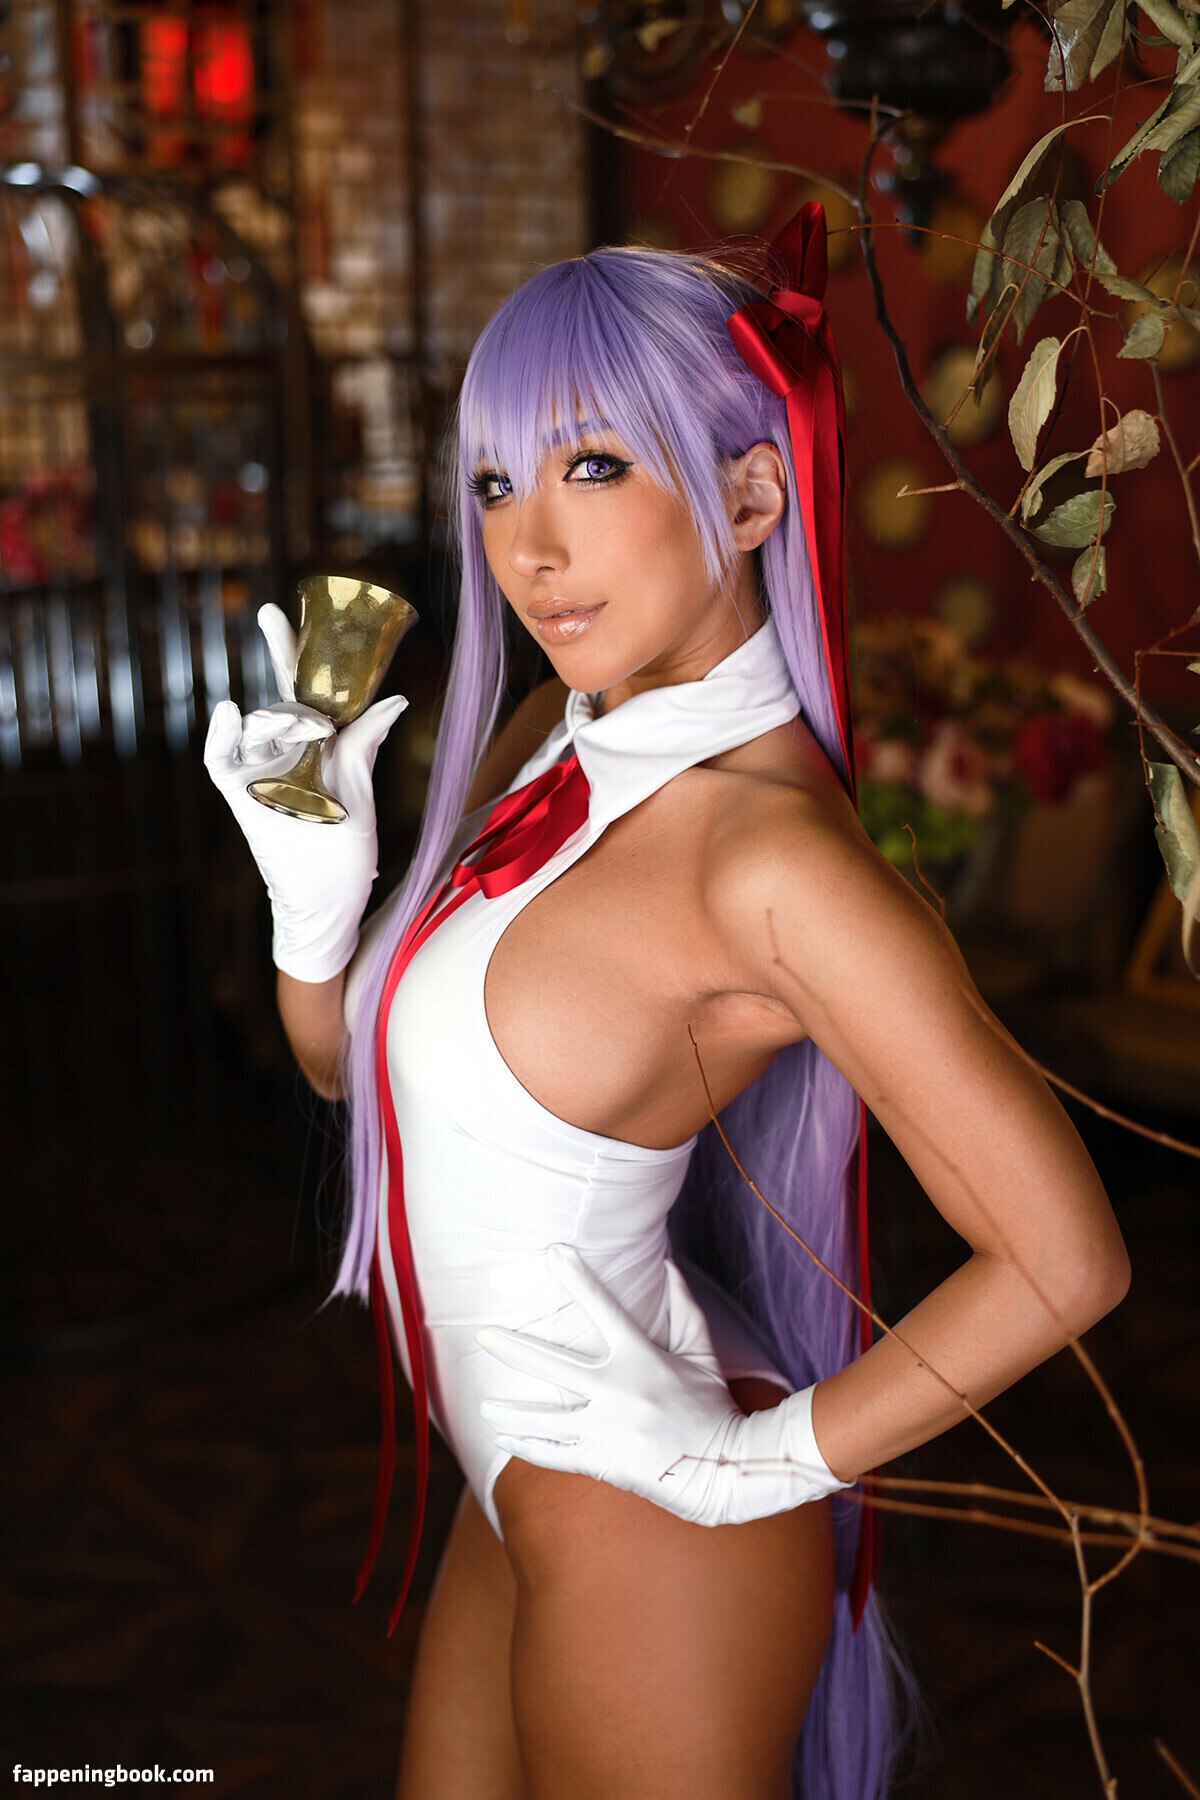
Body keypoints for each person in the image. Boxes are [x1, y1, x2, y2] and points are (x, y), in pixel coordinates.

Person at [205, 210, 1131, 1800]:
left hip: (653, 1533)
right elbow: (360, 1088)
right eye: (495, 483)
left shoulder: (770, 865)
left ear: (753, 496)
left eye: (594, 467)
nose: (529, 547)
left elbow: (1067, 1259)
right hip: (513, 1490)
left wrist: (754, 1464)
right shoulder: (546, 748)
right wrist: (316, 916)